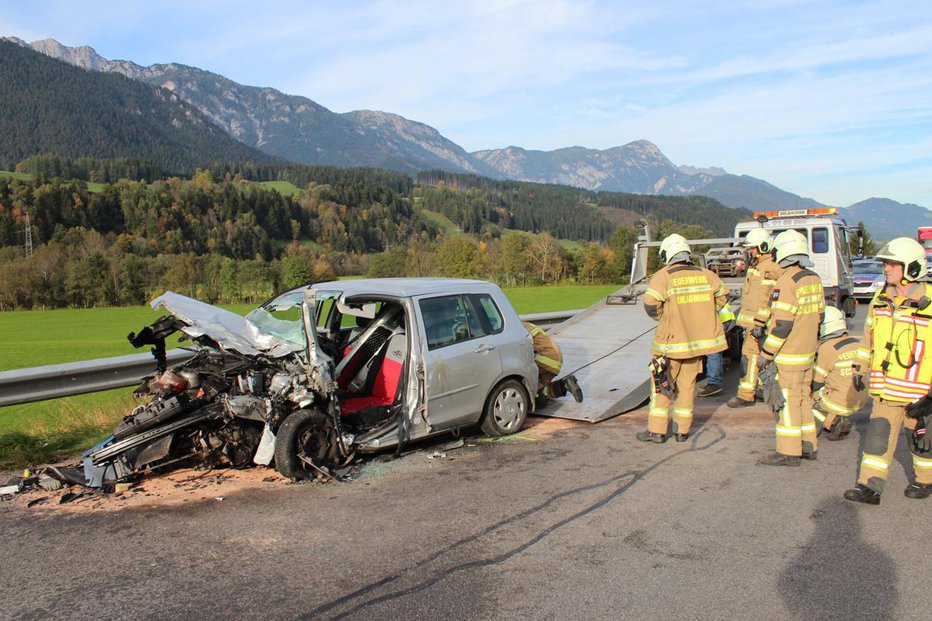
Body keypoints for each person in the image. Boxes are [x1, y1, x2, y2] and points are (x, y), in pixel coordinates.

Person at [844, 238, 932, 505]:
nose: (887, 269)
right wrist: (860, 368)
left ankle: (926, 480)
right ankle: (869, 487)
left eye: (893, 264)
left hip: (920, 393)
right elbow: (868, 338)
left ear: (911, 268)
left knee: (920, 441)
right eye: (886, 264)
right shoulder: (880, 300)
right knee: (877, 437)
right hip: (885, 389)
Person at [637, 233, 729, 443]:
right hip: (695, 346)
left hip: (669, 345)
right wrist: (703, 313)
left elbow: (650, 304)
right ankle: (681, 431)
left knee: (661, 386)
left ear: (667, 254)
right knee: (687, 389)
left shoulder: (663, 276)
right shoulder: (707, 274)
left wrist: (664, 317)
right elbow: (722, 297)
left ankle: (657, 431)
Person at [756, 230, 825, 466]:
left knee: (786, 402)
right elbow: (821, 315)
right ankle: (808, 445)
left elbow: (781, 324)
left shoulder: (786, 282)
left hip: (789, 355)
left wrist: (766, 353)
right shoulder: (812, 278)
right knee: (804, 400)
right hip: (807, 353)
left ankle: (788, 451)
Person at [728, 228, 782, 408]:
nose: (749, 252)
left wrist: (759, 322)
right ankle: (759, 388)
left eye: (752, 249)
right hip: (754, 323)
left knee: (749, 357)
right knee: (757, 357)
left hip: (760, 324)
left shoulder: (769, 269)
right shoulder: (758, 266)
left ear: (763, 247)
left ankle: (746, 394)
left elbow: (767, 299)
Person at [810, 306, 869, 440]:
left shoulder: (826, 349)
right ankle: (836, 418)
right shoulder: (856, 343)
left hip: (839, 402)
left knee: (805, 396)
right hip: (861, 399)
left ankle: (832, 421)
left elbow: (816, 383)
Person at [523, 322, 583, 404]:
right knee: (542, 386)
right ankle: (565, 385)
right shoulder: (526, 325)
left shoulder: (517, 330)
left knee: (529, 392)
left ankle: (540, 395)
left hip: (544, 361)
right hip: (555, 362)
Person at [698, 302, 736, 397]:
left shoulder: (705, 287)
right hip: (722, 317)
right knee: (714, 350)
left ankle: (714, 383)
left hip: (720, 318)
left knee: (712, 351)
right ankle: (714, 381)